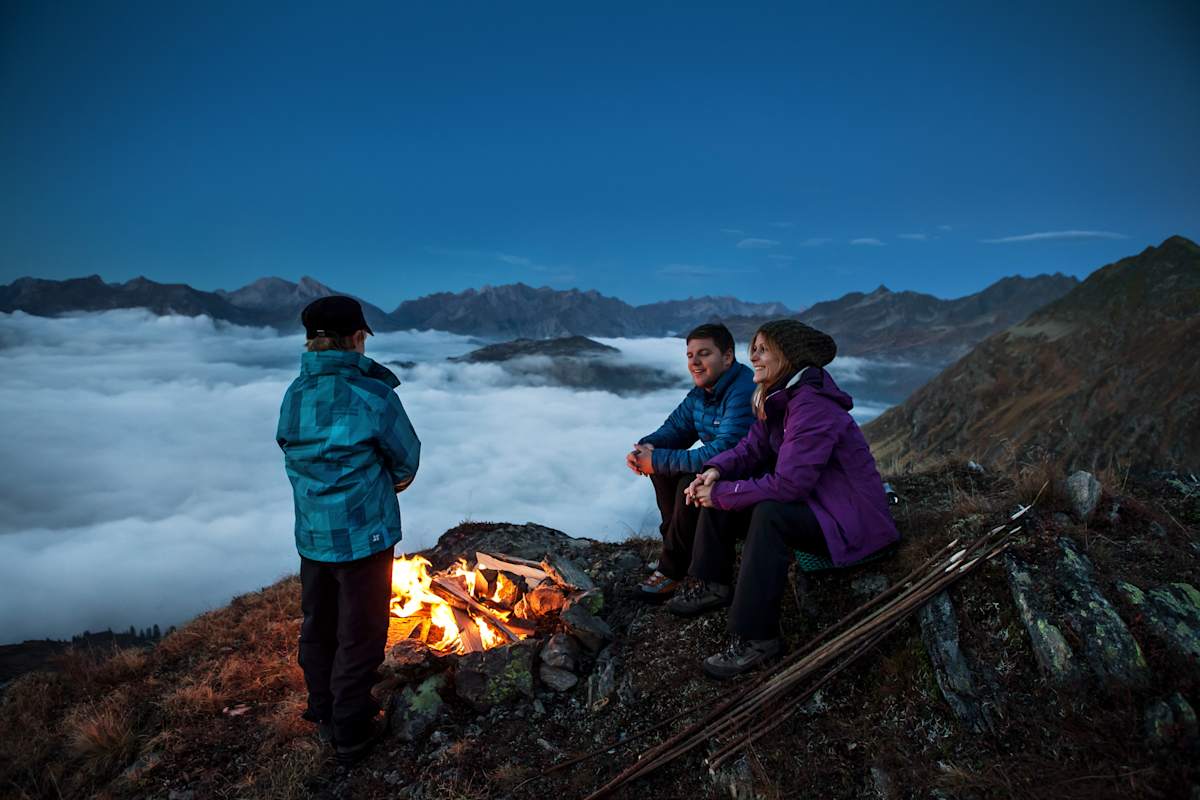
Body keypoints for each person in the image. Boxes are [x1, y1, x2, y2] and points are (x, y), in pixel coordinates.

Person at [670, 319, 900, 679]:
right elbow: (751, 448)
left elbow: (790, 485)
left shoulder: (812, 405)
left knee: (769, 514)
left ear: (788, 355)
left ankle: (757, 637)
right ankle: (711, 583)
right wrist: (715, 470)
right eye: (754, 349)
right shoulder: (781, 397)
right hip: (820, 506)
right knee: (729, 486)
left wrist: (722, 494)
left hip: (852, 521)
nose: (754, 357)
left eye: (763, 350)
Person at [275, 296, 421, 767]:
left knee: (319, 626)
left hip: (313, 536)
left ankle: (322, 709)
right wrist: (380, 484)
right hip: (365, 537)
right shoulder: (374, 395)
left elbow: (287, 445)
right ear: (357, 338)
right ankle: (352, 732)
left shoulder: (295, 393)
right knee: (361, 634)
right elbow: (407, 459)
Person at [626, 323, 755, 601]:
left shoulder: (742, 391)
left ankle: (672, 570)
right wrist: (647, 447)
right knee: (662, 469)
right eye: (689, 355)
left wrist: (657, 460)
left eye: (704, 353)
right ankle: (674, 551)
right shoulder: (704, 391)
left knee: (686, 478)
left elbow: (726, 450)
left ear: (727, 357)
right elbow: (676, 427)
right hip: (719, 469)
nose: (694, 362)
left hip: (747, 478)